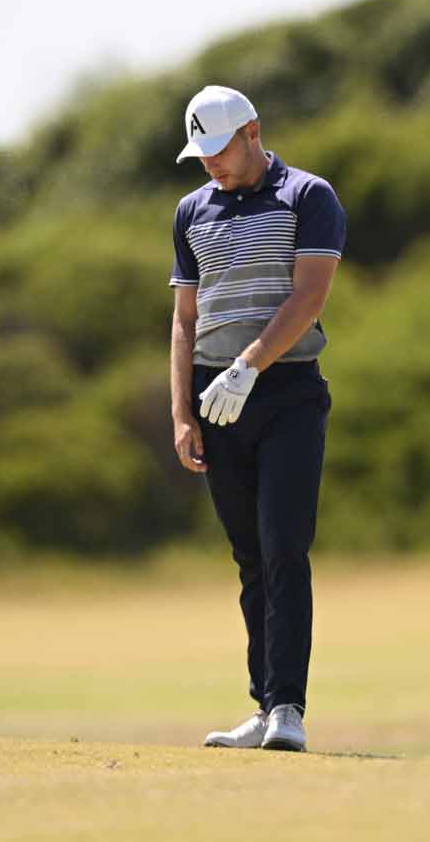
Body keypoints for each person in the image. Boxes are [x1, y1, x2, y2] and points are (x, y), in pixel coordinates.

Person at [168, 85, 346, 753]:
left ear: (252, 133)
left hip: (286, 392)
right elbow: (186, 322)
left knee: (283, 548)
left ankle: (288, 710)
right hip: (216, 400)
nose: (209, 163)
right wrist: (183, 413)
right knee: (249, 558)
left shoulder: (307, 196)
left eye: (218, 149)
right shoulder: (191, 211)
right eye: (201, 153)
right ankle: (262, 705)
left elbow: (310, 293)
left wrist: (251, 365)